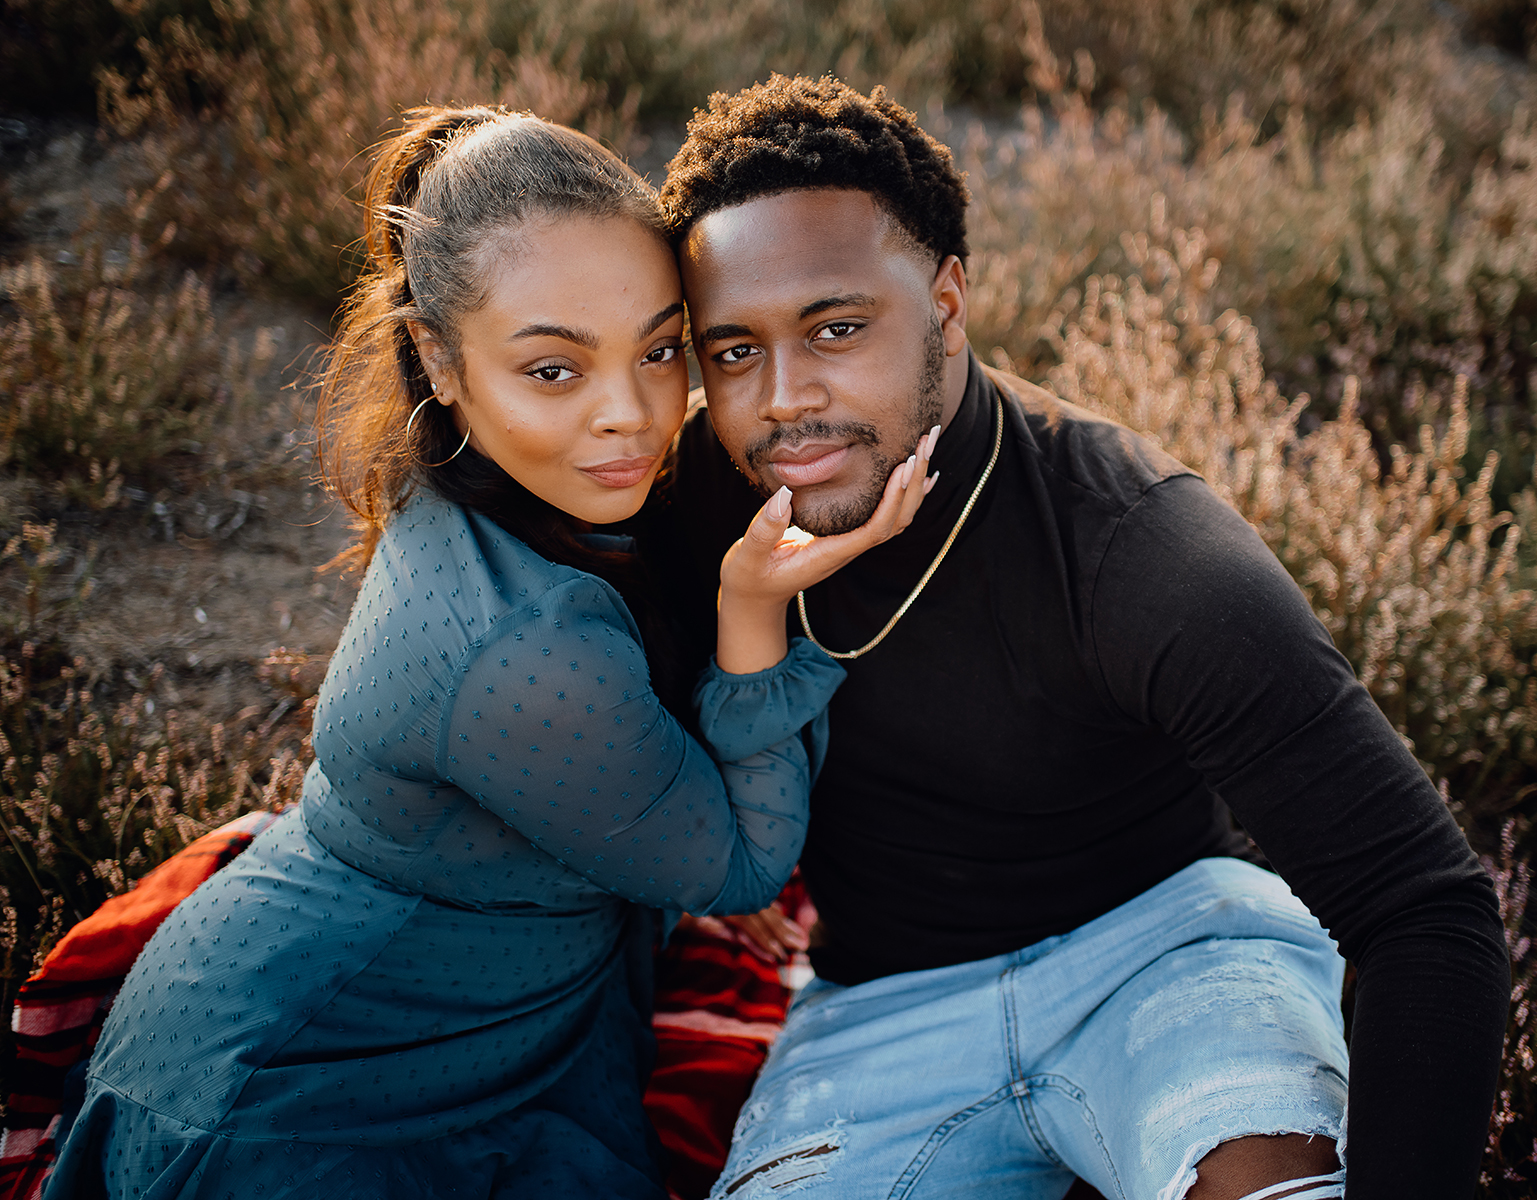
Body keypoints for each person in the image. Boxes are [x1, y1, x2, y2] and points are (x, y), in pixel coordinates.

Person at [43, 103, 937, 1200]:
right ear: (438, 355)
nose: (634, 419)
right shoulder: (526, 650)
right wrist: (750, 616)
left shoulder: (489, 474)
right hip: (316, 1098)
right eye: (554, 371)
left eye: (661, 350)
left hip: (447, 1004)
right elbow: (744, 867)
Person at [649, 76, 1512, 1199]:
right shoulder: (699, 499)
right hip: (880, 1000)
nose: (783, 399)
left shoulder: (1139, 548)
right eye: (733, 350)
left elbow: (1424, 908)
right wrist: (700, 822)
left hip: (1168, 950)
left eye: (838, 327)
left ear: (947, 302)